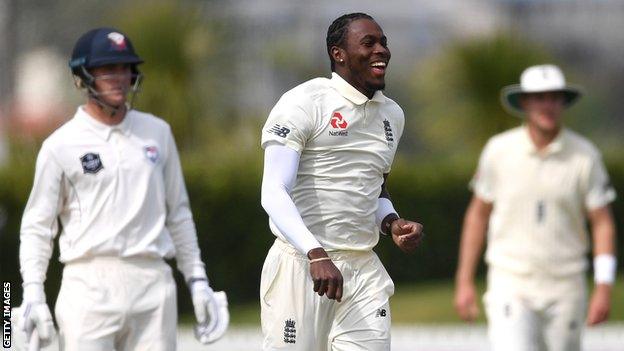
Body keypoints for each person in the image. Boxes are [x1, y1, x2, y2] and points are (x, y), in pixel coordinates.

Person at [18, 27, 229, 350]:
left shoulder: (157, 133)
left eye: (125, 68)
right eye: (107, 69)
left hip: (152, 282)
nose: (119, 77)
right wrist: (32, 291)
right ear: (83, 76)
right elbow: (37, 226)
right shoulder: (60, 145)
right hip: (88, 285)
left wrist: (197, 279)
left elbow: (179, 214)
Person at [259, 13, 424, 351]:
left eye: (384, 43)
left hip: (362, 270)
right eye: (369, 43)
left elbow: (374, 188)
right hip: (301, 266)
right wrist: (316, 254)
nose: (382, 50)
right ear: (339, 54)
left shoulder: (392, 115)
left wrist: (391, 222)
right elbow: (273, 192)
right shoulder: (303, 102)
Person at [454, 64, 617, 351]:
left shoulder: (585, 156)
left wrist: (604, 287)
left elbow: (602, 222)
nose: (547, 105)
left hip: (566, 286)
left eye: (554, 97)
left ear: (562, 102)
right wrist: (464, 280)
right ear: (525, 103)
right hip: (511, 281)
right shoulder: (498, 150)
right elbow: (478, 216)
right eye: (539, 98)